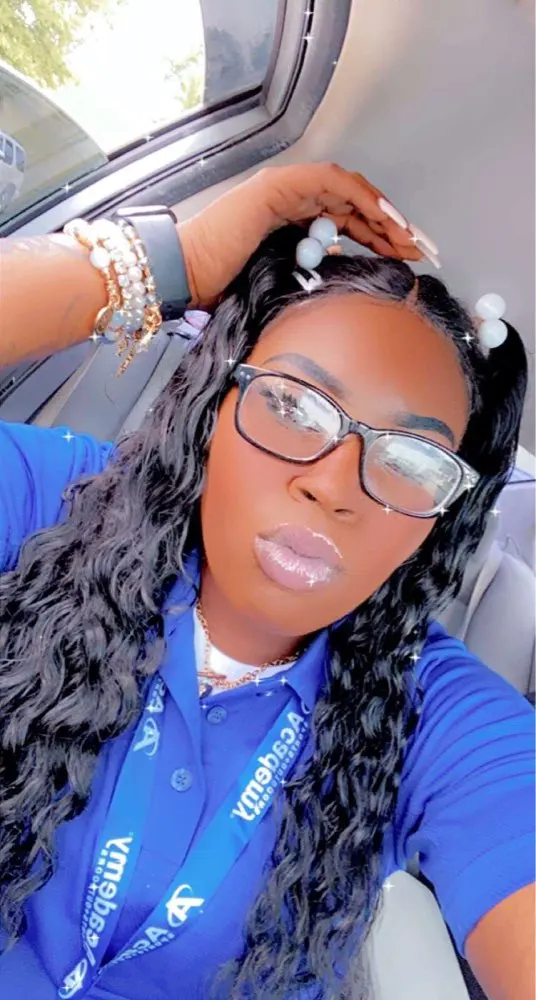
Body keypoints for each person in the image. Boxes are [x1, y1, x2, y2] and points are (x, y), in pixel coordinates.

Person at [0, 163, 533, 1000]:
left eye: (411, 461)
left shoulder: (434, 717)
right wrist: (178, 259)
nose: (333, 484)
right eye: (292, 405)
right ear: (214, 406)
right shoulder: (58, 507)